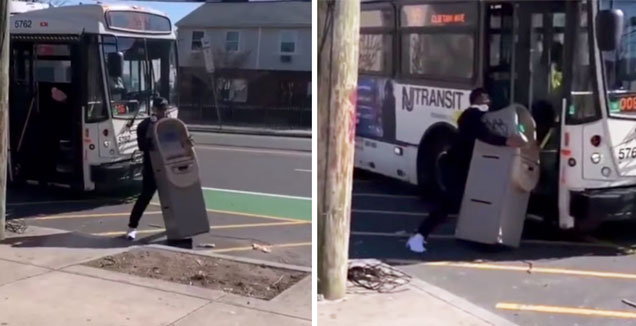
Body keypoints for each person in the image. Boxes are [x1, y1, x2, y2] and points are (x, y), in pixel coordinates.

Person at [406, 88, 527, 253]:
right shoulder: (471, 116)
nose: (488, 101)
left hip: (463, 166)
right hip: (454, 166)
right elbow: (483, 135)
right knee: (450, 202)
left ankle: (472, 235)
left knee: (467, 201)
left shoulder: (479, 116)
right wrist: (506, 141)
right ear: (477, 99)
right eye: (485, 97)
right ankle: (418, 236)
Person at [126, 97, 170, 240]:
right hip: (152, 165)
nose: (162, 112)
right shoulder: (145, 125)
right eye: (160, 109)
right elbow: (142, 146)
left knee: (172, 198)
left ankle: (176, 226)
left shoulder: (170, 123)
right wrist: (153, 141)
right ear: (154, 109)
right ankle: (132, 227)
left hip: (167, 165)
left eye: (164, 109)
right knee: (145, 197)